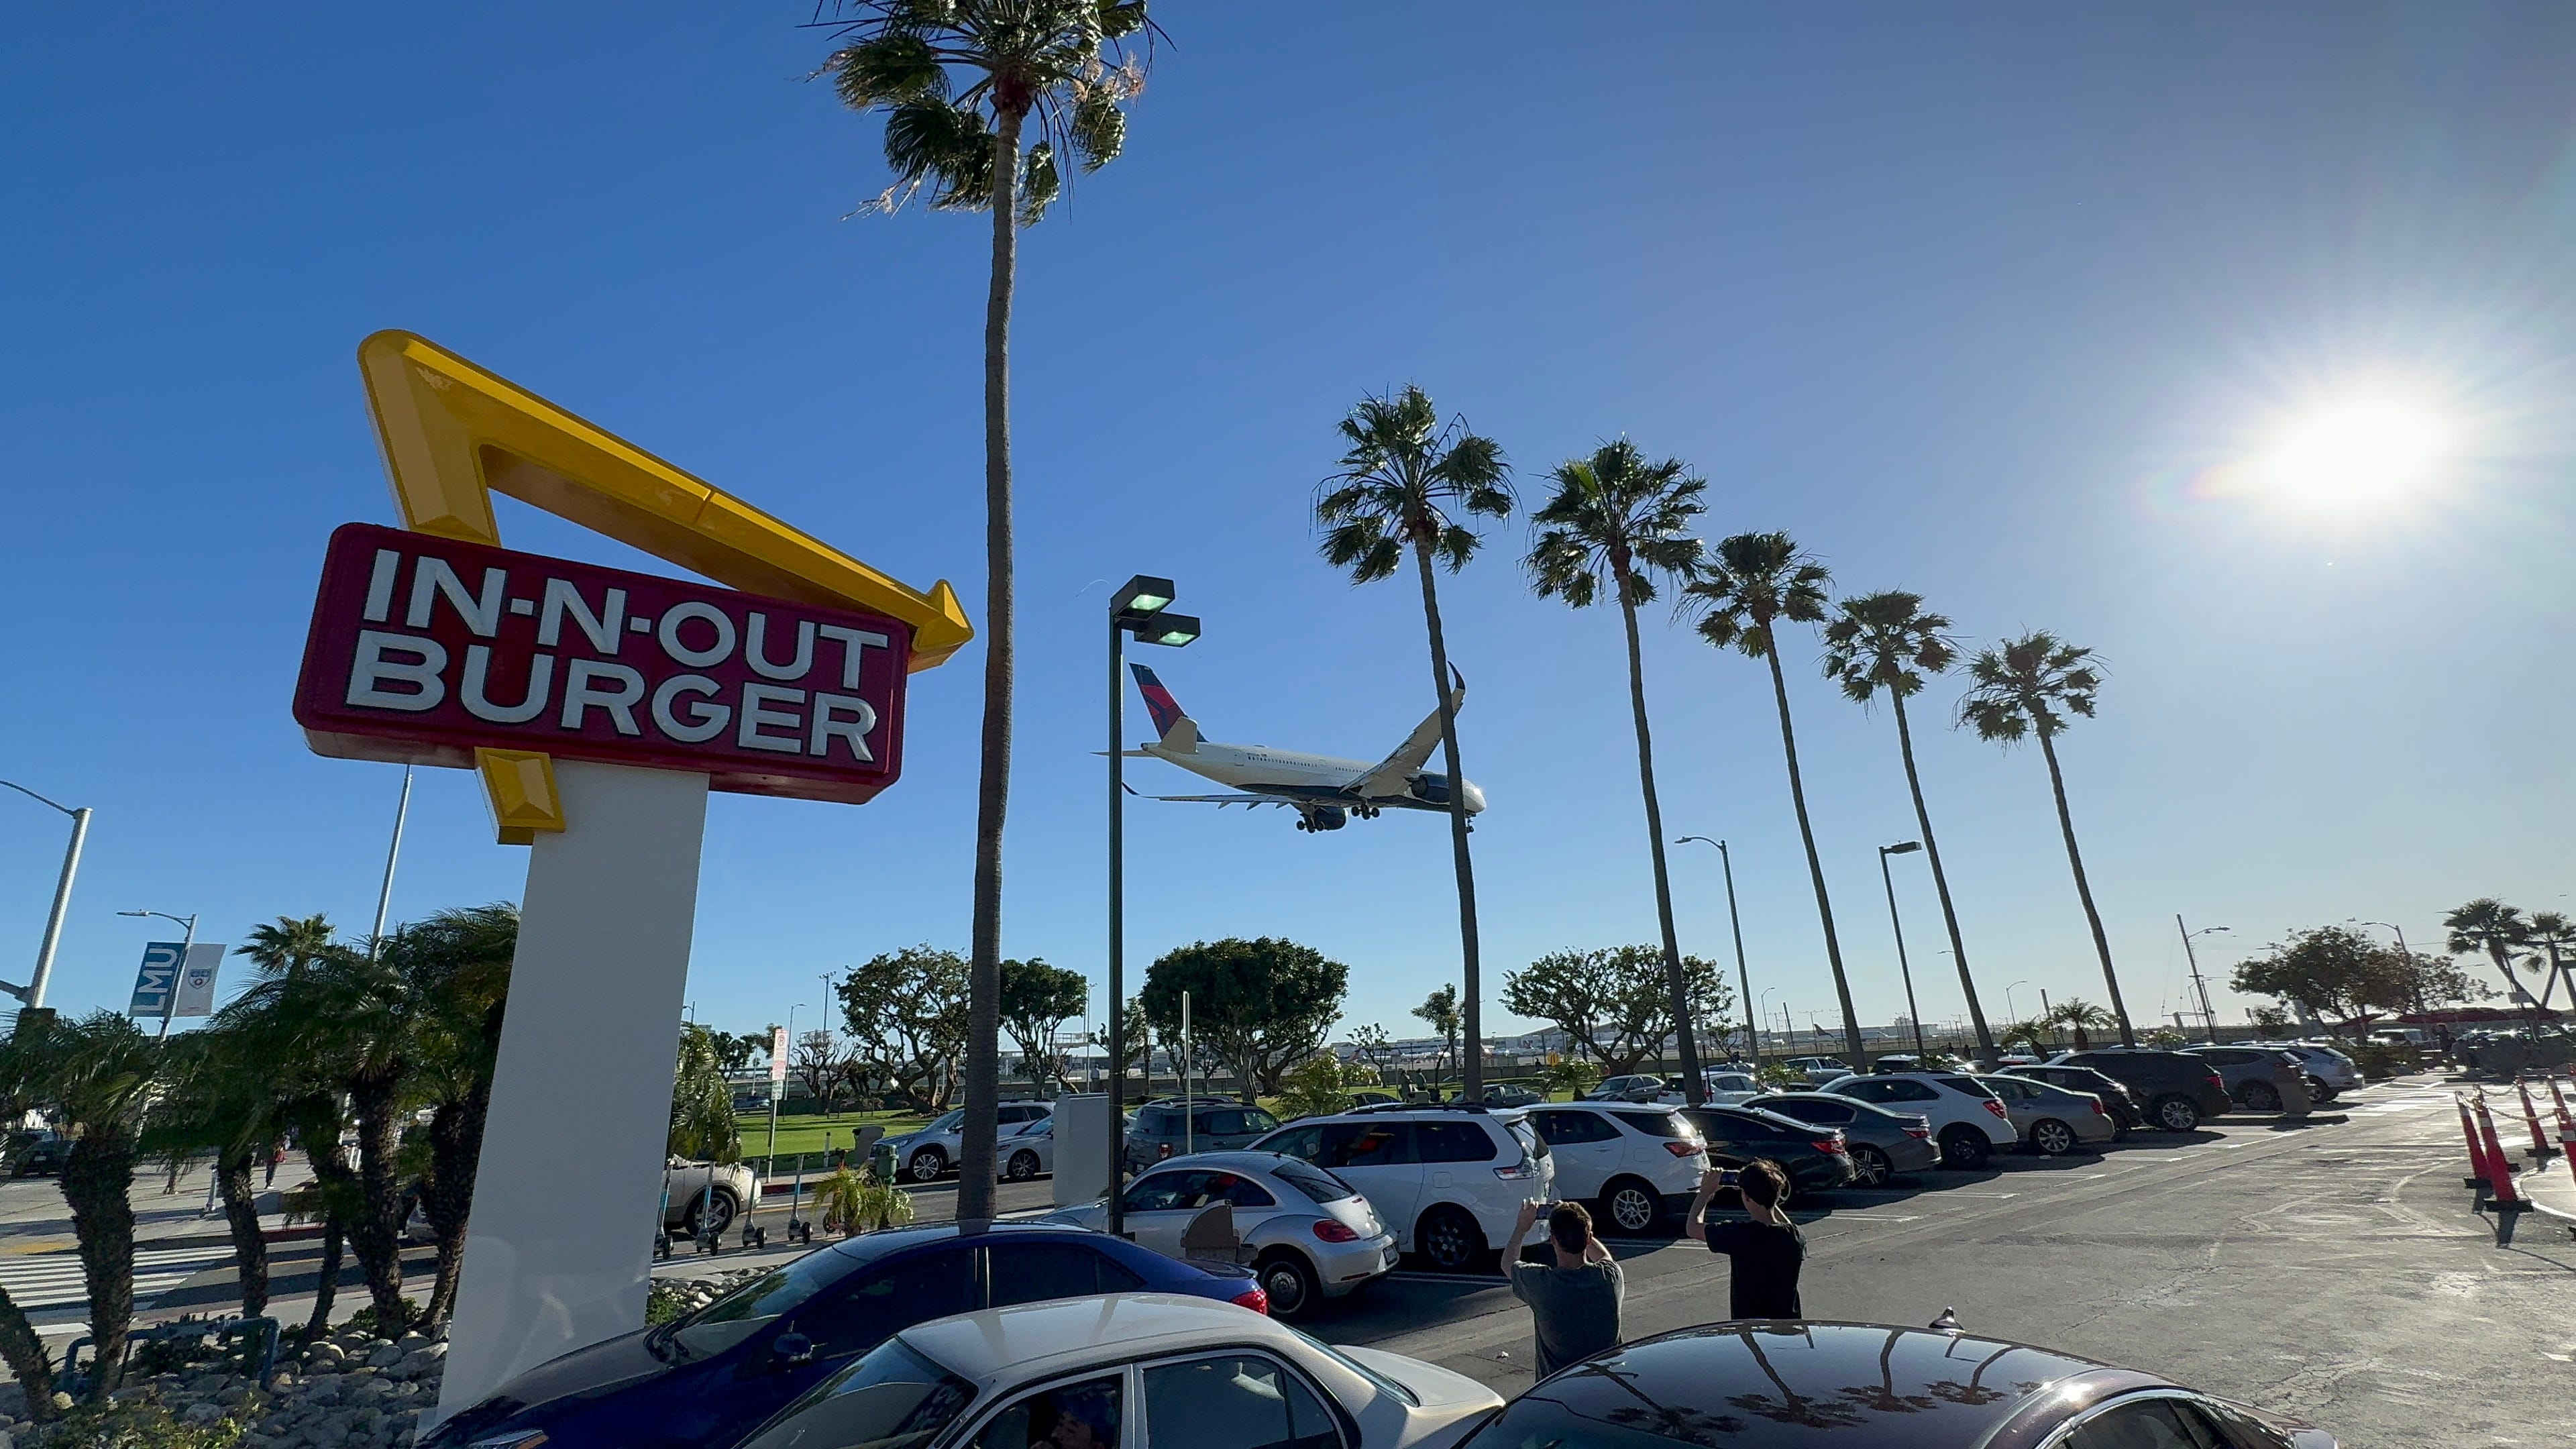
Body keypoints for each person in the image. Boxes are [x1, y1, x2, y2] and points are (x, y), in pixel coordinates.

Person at [1504, 1197, 1625, 1377]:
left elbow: (1508, 1263)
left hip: (1559, 1388)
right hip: (1607, 1385)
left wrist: (1521, 1228)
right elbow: (1605, 1258)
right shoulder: (1610, 1277)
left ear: (1553, 1240)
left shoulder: (1543, 1284)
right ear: (1589, 1238)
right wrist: (1581, 1229)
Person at [1686, 1159, 1805, 1320]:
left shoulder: (1739, 1235)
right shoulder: (1795, 1236)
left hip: (1750, 1325)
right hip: (1788, 1325)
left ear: (1747, 1198)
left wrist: (1705, 1193)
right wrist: (1768, 1196)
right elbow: (1786, 1224)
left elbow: (1693, 1227)